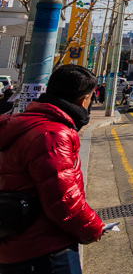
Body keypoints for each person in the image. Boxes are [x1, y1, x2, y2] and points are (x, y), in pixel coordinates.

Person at [0, 64, 105, 272]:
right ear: (82, 99)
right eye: (90, 98)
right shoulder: (53, 134)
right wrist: (93, 228)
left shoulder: (26, 123)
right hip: (46, 252)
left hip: (14, 244)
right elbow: (64, 202)